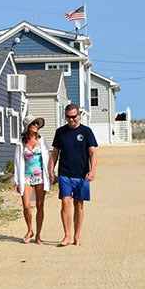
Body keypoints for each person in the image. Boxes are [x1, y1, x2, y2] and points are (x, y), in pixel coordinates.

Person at [48, 104, 98, 247]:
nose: (71, 120)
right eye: (68, 117)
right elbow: (55, 153)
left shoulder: (86, 132)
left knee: (79, 205)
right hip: (65, 174)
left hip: (81, 175)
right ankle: (67, 236)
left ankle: (77, 236)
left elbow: (93, 153)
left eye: (74, 117)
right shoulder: (60, 132)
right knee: (65, 202)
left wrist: (92, 171)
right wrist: (51, 172)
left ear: (79, 115)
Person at [13, 114, 51, 244]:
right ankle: (30, 230)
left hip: (40, 177)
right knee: (26, 206)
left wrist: (51, 174)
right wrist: (16, 181)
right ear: (28, 127)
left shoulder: (42, 141)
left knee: (40, 206)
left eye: (37, 123)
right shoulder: (21, 143)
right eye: (33, 123)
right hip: (26, 177)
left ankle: (38, 235)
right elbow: (17, 162)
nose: (36, 125)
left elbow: (47, 159)